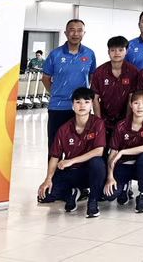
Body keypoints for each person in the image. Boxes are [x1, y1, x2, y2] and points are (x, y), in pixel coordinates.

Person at [37, 87, 106, 218]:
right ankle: (74, 192)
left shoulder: (98, 123)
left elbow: (99, 151)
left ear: (92, 104)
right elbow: (55, 156)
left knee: (97, 163)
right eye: (78, 102)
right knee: (45, 195)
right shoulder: (64, 129)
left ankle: (92, 201)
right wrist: (48, 179)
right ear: (72, 105)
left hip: (90, 171)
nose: (82, 105)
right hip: (72, 172)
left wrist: (71, 160)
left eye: (86, 102)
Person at [42, 19, 97, 150]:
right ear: (66, 33)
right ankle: (54, 165)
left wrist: (83, 97)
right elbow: (45, 78)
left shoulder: (89, 54)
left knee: (81, 144)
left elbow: (92, 77)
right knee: (55, 144)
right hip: (58, 107)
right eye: (72, 30)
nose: (75, 34)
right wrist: (56, 93)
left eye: (79, 30)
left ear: (84, 33)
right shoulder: (55, 54)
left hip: (81, 107)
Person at [103, 89, 143, 213]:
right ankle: (125, 187)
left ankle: (142, 194)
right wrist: (110, 177)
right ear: (130, 104)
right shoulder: (121, 125)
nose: (140, 107)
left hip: (141, 166)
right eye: (136, 103)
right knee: (109, 195)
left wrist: (123, 152)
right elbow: (112, 153)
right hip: (123, 166)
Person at [91, 36, 139, 142]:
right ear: (108, 52)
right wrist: (99, 122)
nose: (116, 53)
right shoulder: (99, 72)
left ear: (126, 51)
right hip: (105, 119)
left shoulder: (133, 71)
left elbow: (132, 97)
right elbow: (95, 98)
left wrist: (127, 121)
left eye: (120, 50)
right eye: (113, 50)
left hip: (126, 119)